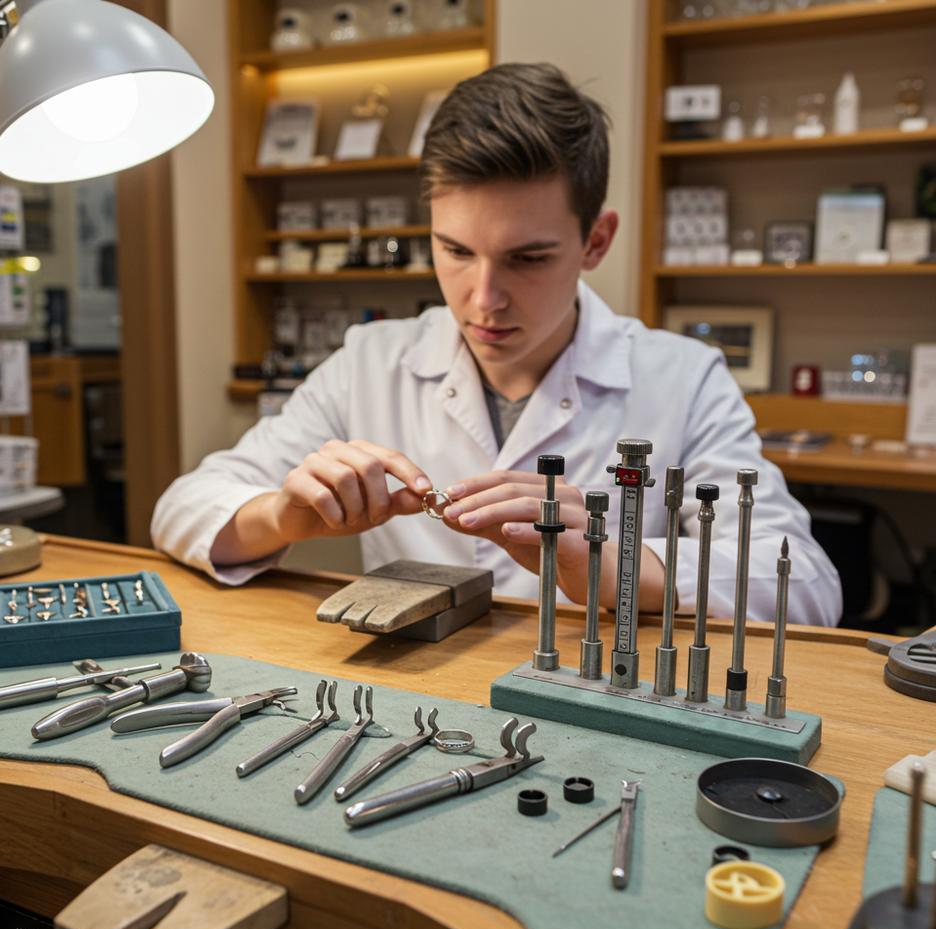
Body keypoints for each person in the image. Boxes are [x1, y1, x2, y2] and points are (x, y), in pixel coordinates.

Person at [152, 62, 841, 626]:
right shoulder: (370, 360)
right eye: (455, 251)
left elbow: (806, 583)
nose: (483, 299)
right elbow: (183, 507)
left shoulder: (683, 378)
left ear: (596, 240)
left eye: (528, 258)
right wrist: (281, 516)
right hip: (418, 694)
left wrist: (613, 566)